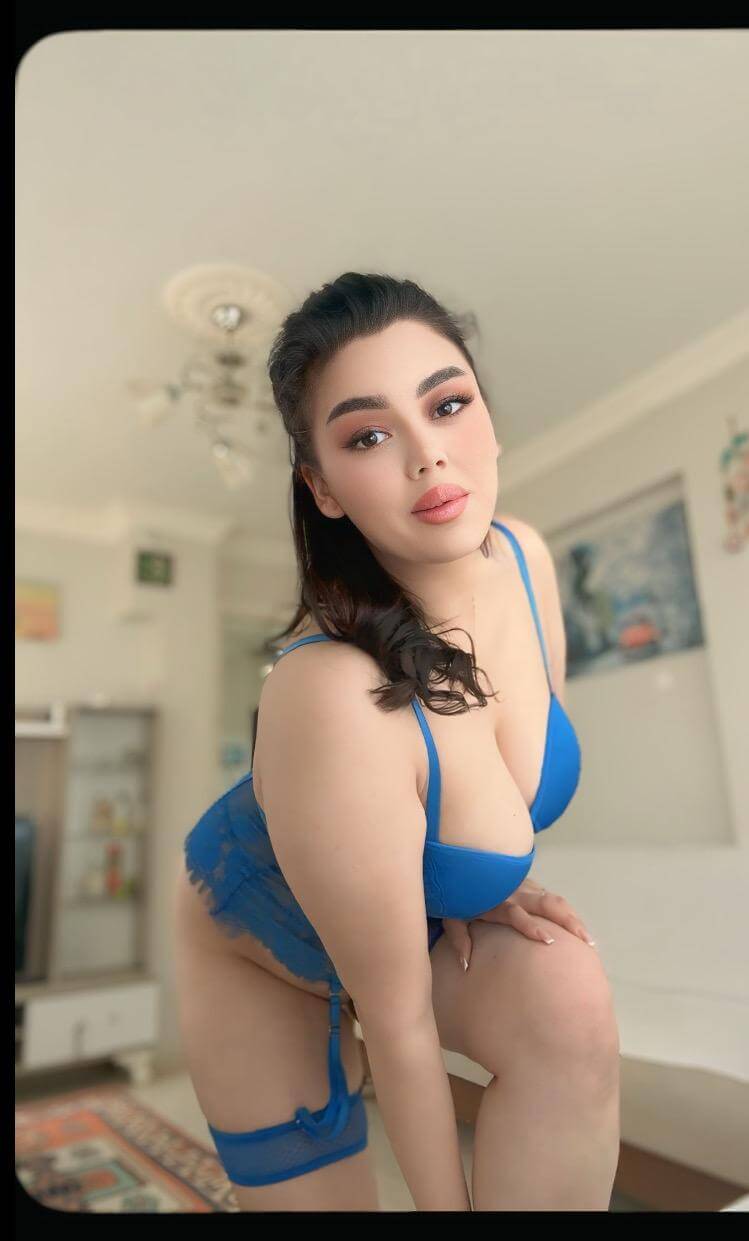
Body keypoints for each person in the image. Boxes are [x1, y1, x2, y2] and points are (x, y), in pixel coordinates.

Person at [173, 272, 620, 1211]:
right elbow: (399, 1023)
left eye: (447, 404)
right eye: (368, 436)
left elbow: (486, 780)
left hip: (382, 913)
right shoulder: (329, 692)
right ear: (323, 488)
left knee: (566, 987)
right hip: (262, 945)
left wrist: (480, 880)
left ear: (487, 419)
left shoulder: (526, 560)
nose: (428, 455)